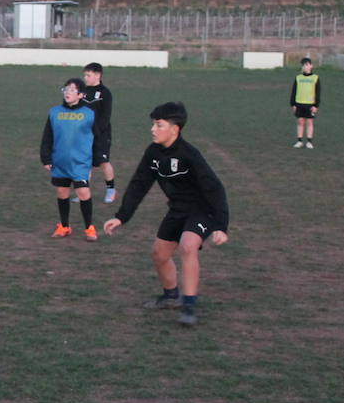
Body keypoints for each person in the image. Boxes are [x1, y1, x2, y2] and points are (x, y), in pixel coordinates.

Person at [103, 101, 230, 327]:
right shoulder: (153, 153)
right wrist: (122, 216)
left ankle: (189, 305)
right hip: (177, 210)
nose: (153, 129)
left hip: (202, 210)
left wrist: (221, 225)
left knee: (187, 245)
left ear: (175, 129)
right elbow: (139, 184)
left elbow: (215, 188)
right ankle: (171, 297)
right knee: (159, 254)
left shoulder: (190, 154)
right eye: (153, 124)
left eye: (159, 125)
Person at [41, 78, 98, 241]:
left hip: (80, 162)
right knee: (62, 192)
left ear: (80, 94)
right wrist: (45, 157)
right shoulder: (54, 112)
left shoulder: (89, 114)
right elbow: (47, 137)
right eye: (66, 89)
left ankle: (89, 228)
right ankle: (64, 226)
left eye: (72, 90)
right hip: (60, 161)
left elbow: (98, 137)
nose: (67, 93)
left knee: (83, 192)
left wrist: (96, 159)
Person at [81, 62, 119, 203]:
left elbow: (105, 116)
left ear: (98, 75)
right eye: (84, 75)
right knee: (85, 163)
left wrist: (96, 131)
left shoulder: (105, 93)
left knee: (103, 162)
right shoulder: (82, 91)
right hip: (83, 134)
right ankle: (83, 192)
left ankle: (111, 190)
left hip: (100, 134)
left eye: (88, 75)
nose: (85, 78)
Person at [290, 57, 320, 148]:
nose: (305, 67)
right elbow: (294, 91)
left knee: (310, 122)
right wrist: (293, 104)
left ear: (311, 66)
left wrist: (316, 105)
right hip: (299, 103)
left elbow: (318, 92)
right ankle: (299, 141)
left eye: (307, 65)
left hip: (310, 104)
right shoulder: (298, 78)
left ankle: (309, 141)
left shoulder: (315, 78)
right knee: (300, 122)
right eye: (303, 65)